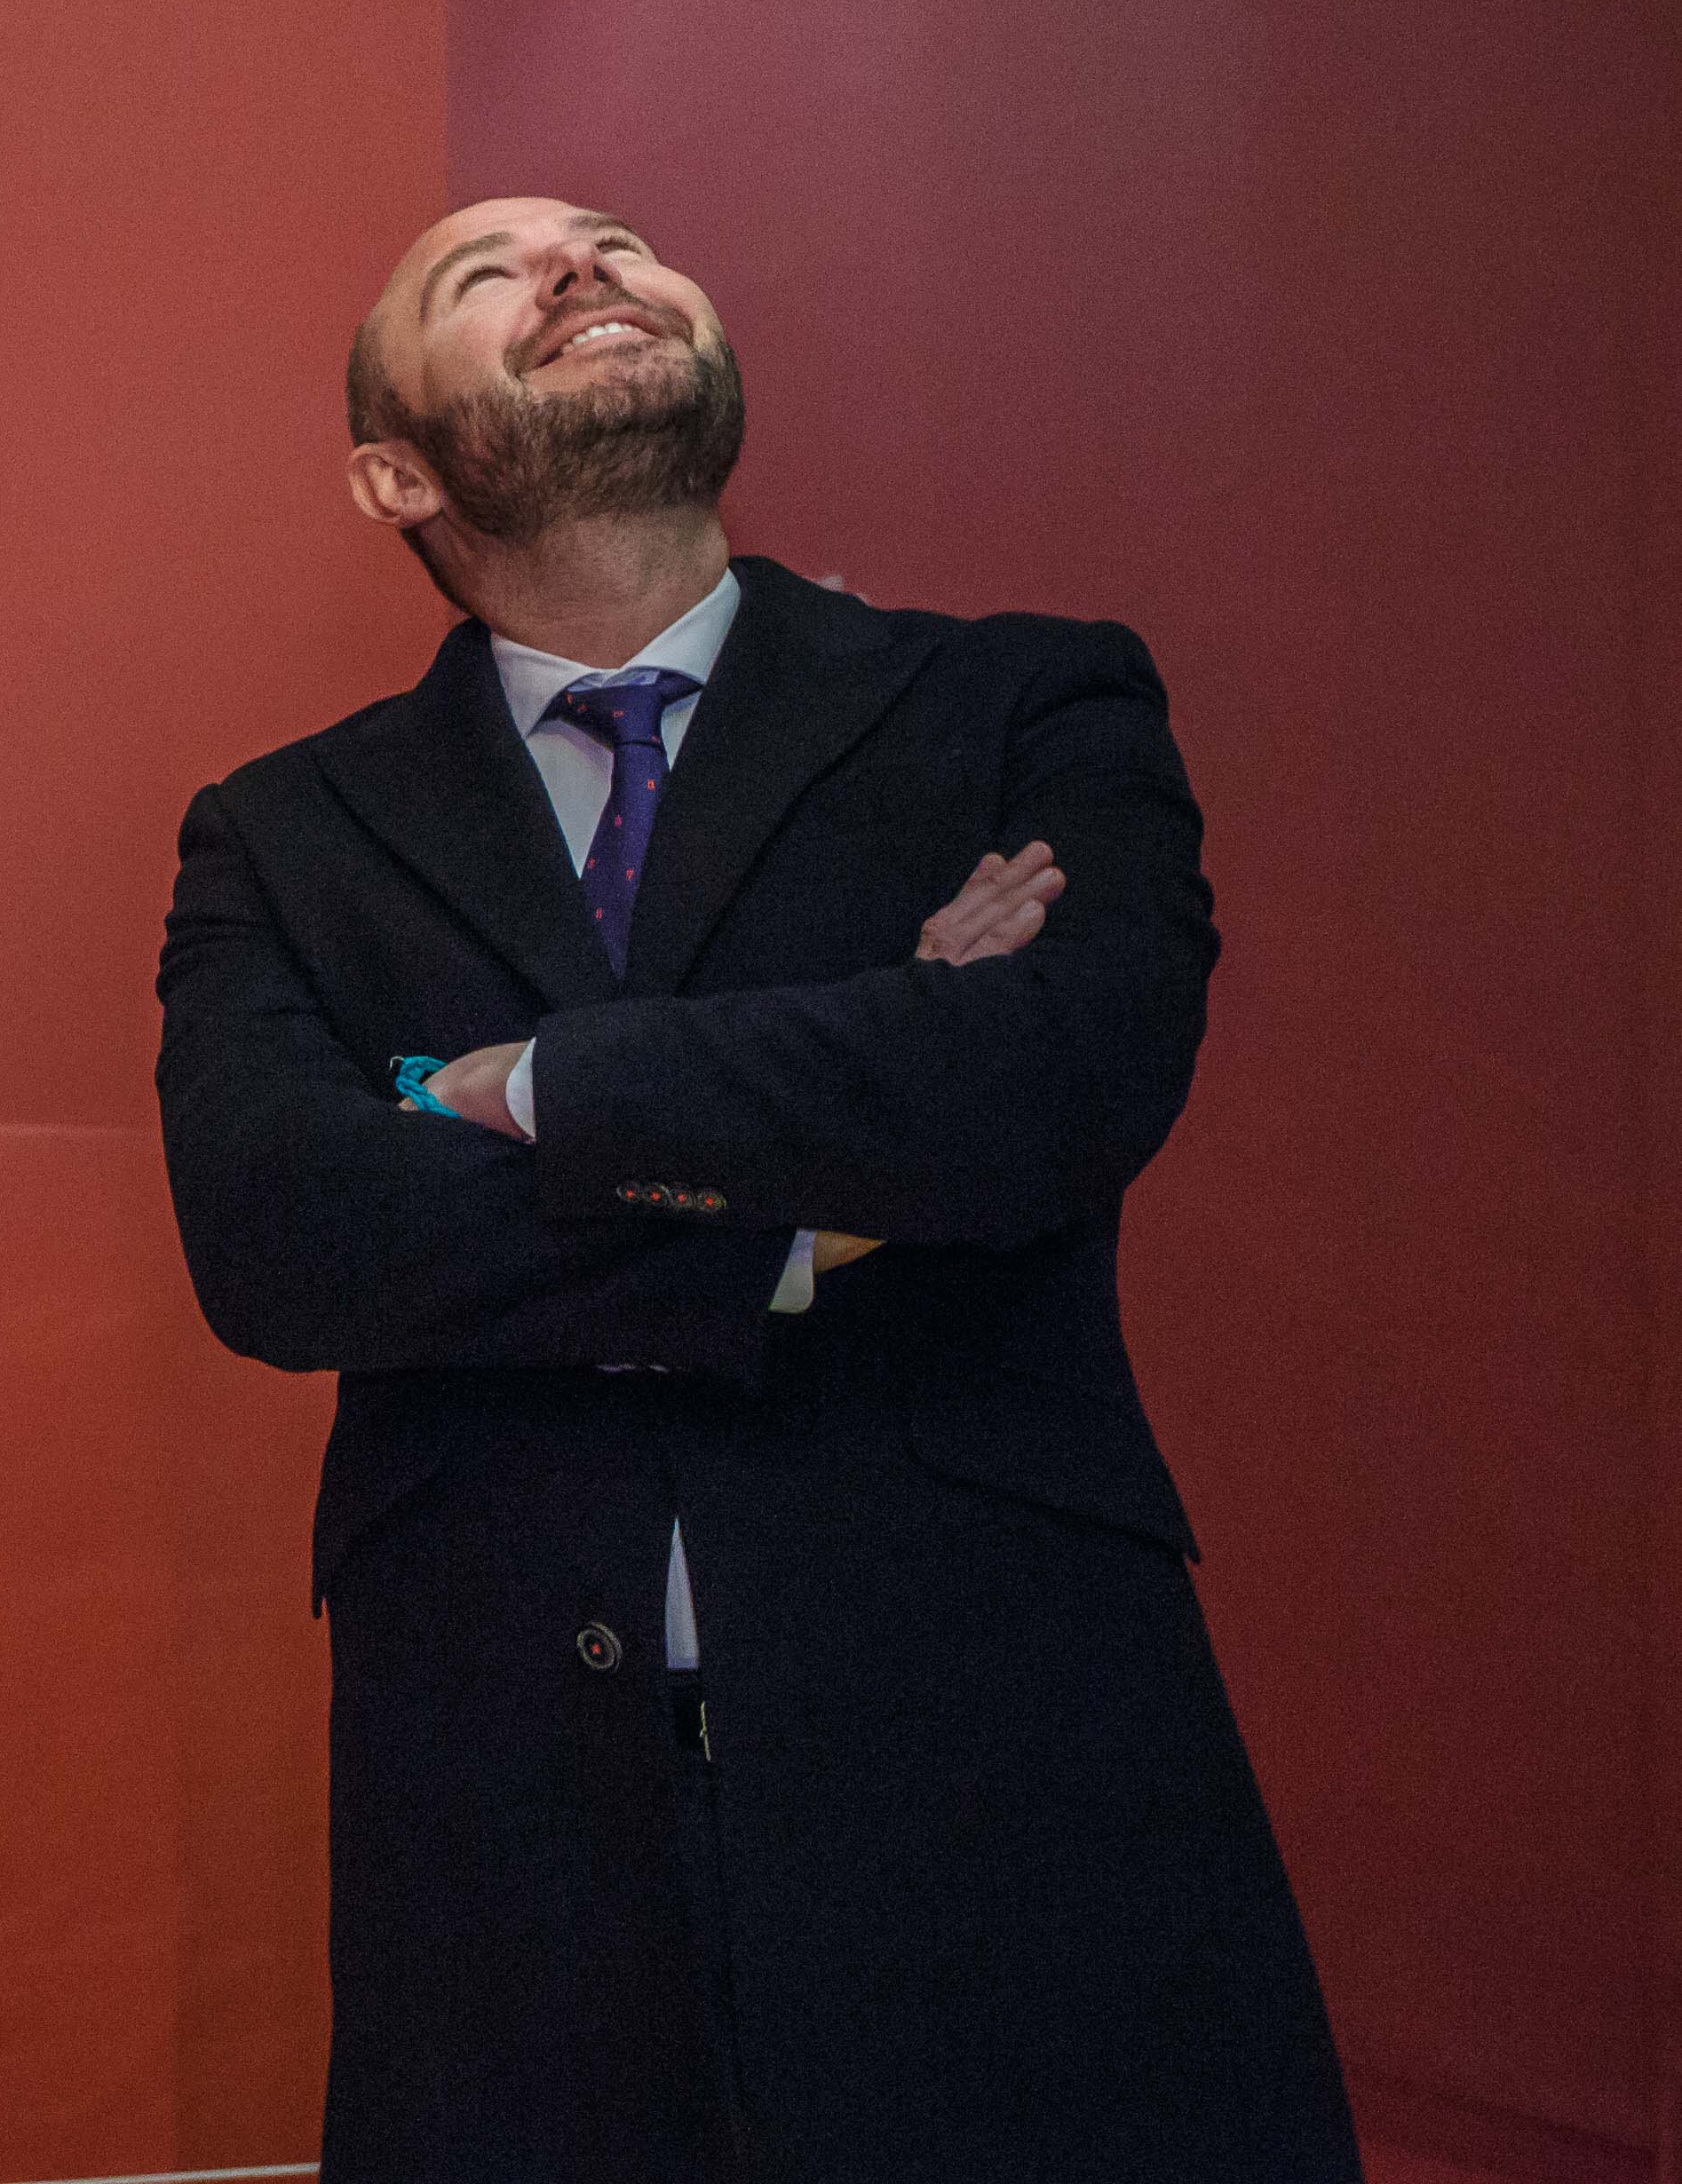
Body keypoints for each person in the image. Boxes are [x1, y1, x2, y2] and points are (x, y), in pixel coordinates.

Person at [155, 202, 1357, 2180]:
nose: (582, 267)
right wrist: (816, 1193)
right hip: (509, 1790)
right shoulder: (286, 830)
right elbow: (283, 1240)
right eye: (489, 277)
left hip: (1003, 1725)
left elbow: (1059, 1085)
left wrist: (539, 1089)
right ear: (393, 472)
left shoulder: (1020, 707)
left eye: (616, 243)